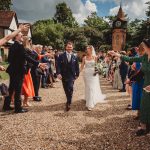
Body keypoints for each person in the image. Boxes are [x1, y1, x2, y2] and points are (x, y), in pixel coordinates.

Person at [108, 39, 150, 136]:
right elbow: (130, 59)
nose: (141, 47)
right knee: (144, 105)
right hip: (146, 85)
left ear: (148, 46)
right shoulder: (144, 57)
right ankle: (144, 127)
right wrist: (116, 54)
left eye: (143, 45)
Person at [3, 33, 46, 113]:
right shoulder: (20, 46)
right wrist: (38, 63)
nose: (22, 36)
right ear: (16, 37)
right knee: (18, 89)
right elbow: (26, 56)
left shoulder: (12, 46)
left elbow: (9, 59)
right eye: (21, 35)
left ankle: (6, 105)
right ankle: (18, 108)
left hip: (12, 70)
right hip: (19, 71)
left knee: (11, 89)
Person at [80, 45, 106, 111]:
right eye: (86, 49)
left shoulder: (95, 57)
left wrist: (98, 70)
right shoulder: (84, 58)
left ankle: (90, 104)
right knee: (88, 87)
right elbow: (82, 66)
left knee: (91, 87)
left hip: (93, 74)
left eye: (88, 49)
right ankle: (87, 98)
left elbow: (97, 66)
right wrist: (77, 73)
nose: (87, 50)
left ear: (91, 50)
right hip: (86, 74)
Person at [56, 41, 79, 111]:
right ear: (66, 47)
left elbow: (76, 66)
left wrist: (77, 74)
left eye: (71, 47)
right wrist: (58, 73)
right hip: (63, 75)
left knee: (70, 88)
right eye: (68, 47)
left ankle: (68, 102)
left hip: (71, 75)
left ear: (72, 48)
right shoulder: (61, 55)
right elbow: (58, 65)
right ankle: (69, 99)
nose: (69, 48)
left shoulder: (75, 56)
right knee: (66, 89)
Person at [22, 36, 36, 107]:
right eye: (29, 40)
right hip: (25, 70)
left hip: (28, 69)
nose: (30, 42)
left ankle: (25, 101)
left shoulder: (28, 48)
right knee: (25, 87)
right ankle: (24, 102)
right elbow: (28, 59)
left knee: (27, 86)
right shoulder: (25, 49)